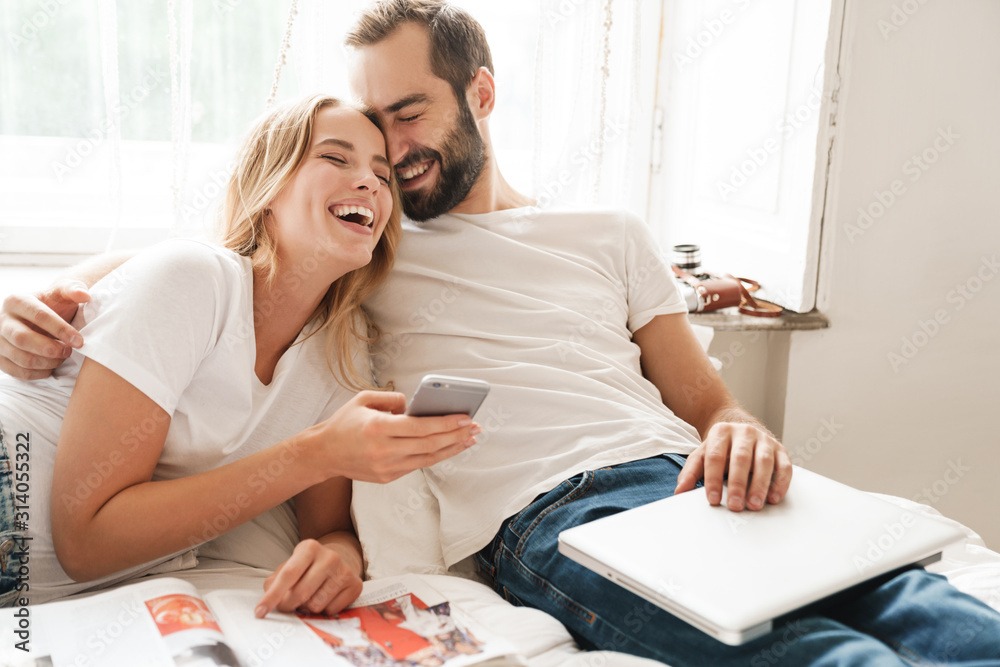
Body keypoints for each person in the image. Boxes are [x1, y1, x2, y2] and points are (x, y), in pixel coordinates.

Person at [4, 2, 1000, 664]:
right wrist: (36, 298)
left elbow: (702, 398)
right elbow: (207, 253)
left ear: (480, 94)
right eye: (358, 134)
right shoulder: (366, 253)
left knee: (933, 611)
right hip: (558, 517)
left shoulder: (602, 233)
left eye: (405, 116)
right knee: (837, 657)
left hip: (691, 475)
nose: (386, 159)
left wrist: (740, 427)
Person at [0, 94, 480, 614]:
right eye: (336, 158)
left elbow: (330, 528)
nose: (369, 182)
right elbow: (85, 541)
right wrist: (316, 452)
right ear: (269, 188)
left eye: (382, 175)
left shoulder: (338, 352)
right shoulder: (192, 280)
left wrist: (334, 561)